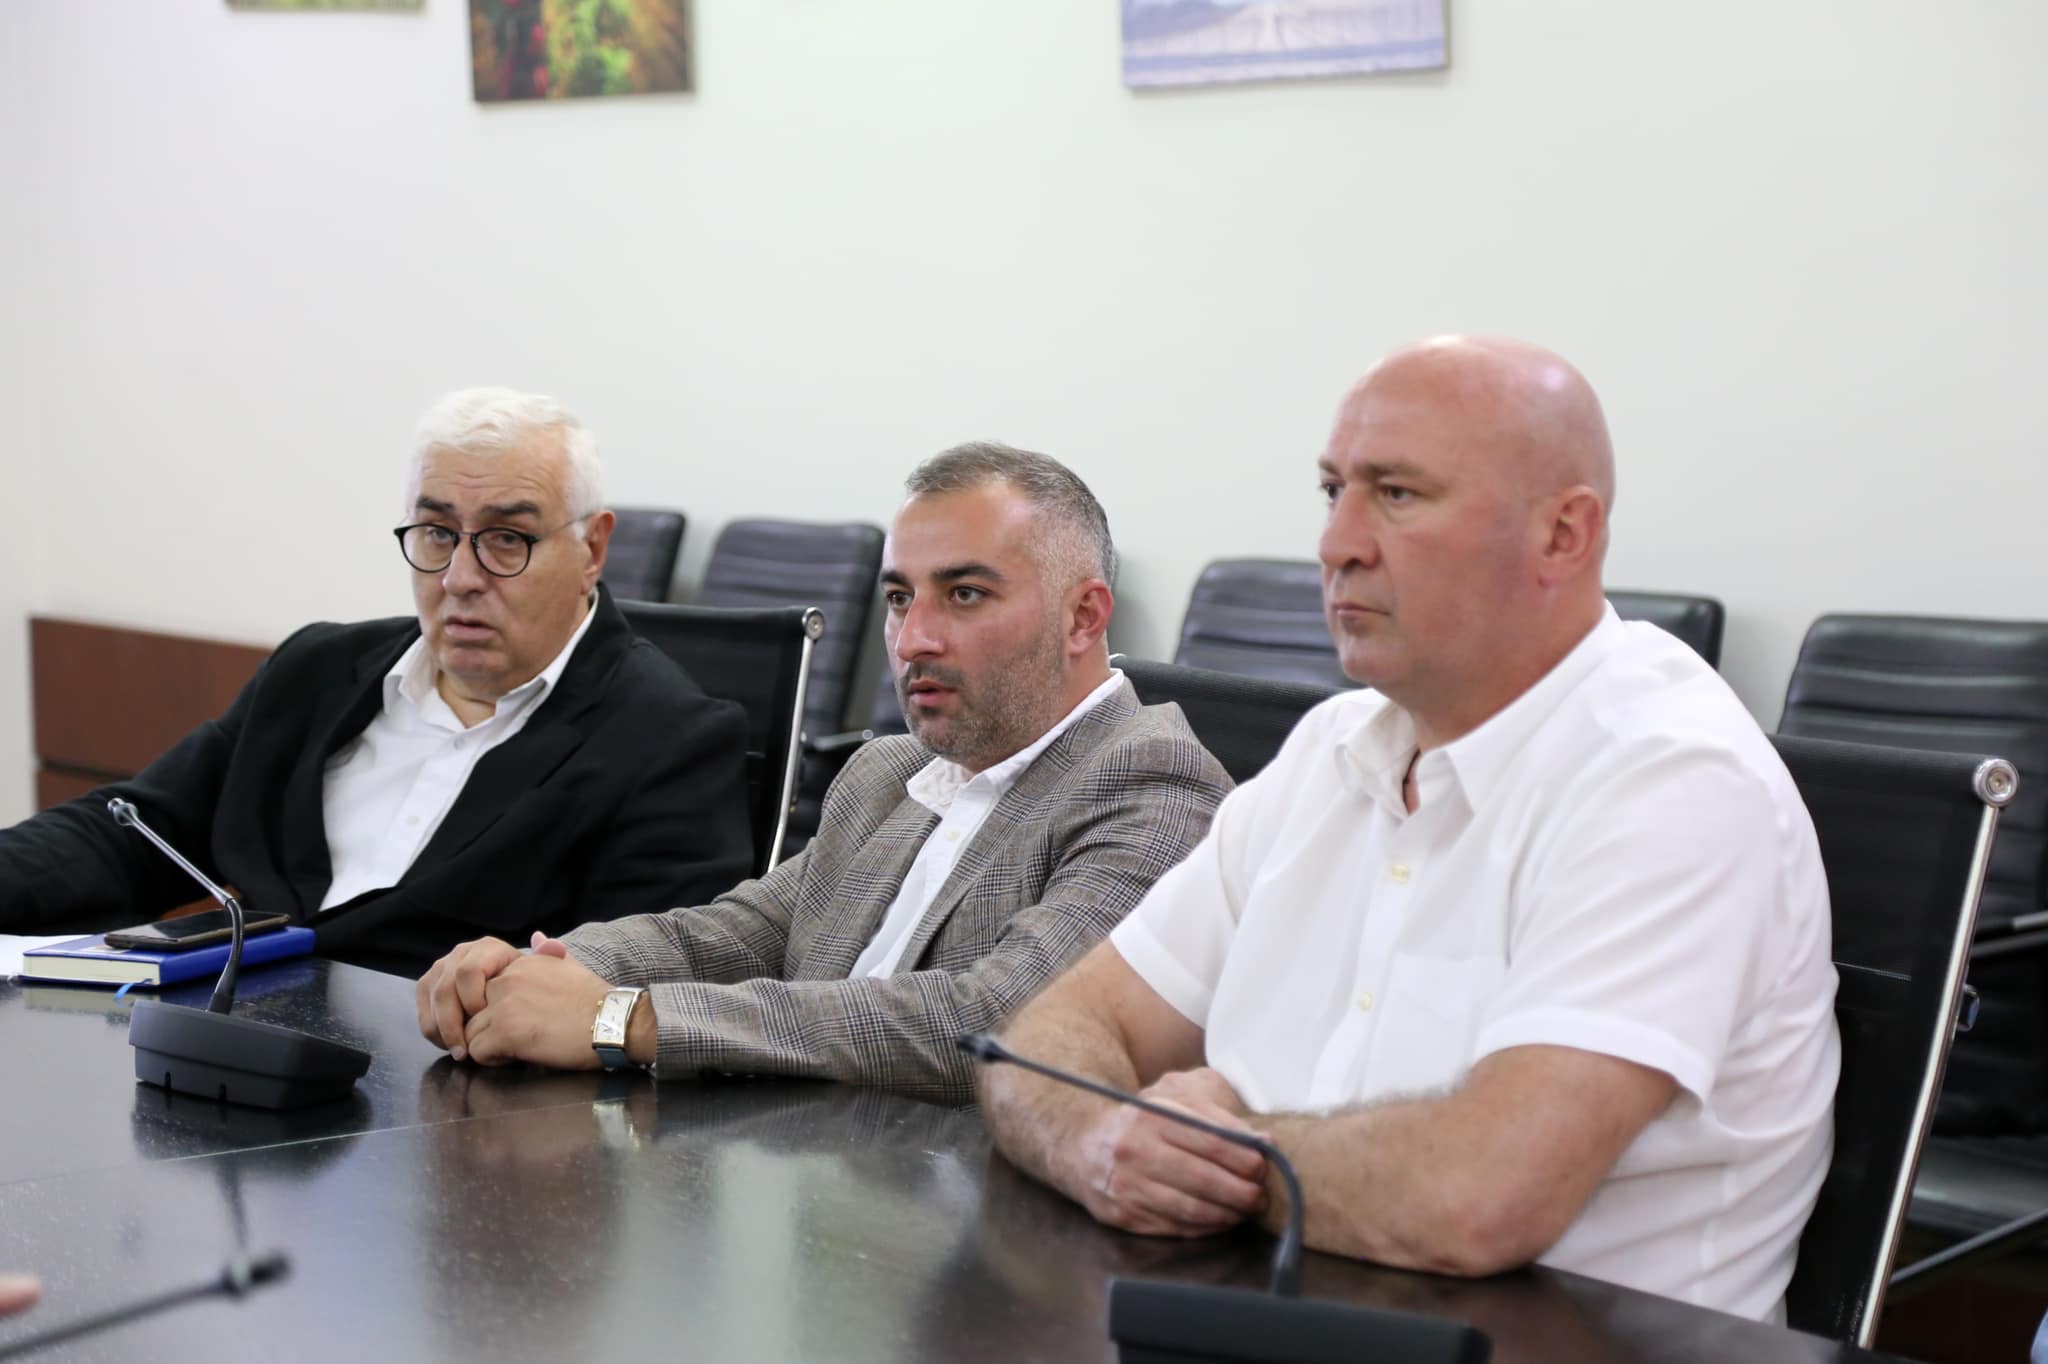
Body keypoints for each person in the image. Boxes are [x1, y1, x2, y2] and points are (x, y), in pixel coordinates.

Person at [978, 337, 1840, 1321]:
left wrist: (1226, 1157)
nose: (1336, 543)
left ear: (1562, 534)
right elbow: (1044, 1039)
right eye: (1332, 490)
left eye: (1396, 494)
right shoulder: (1333, 747)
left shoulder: (1672, 780)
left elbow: (1478, 1198)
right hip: (1269, 1318)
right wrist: (1097, 1136)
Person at [416, 442, 1231, 1105]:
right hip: (805, 1179)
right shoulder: (890, 771)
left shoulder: (1153, 784)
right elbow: (737, 934)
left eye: (965, 595)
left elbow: (1003, 1023)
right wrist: (540, 970)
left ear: (1083, 616)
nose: (913, 639)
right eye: (900, 598)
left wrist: (625, 1019)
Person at [0, 388, 754, 977]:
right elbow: (135, 834)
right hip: (223, 1054)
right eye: (437, 533)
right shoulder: (318, 671)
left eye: (506, 539)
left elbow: (629, 985)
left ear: (592, 549)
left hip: (442, 1104)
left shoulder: (669, 741)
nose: (459, 578)